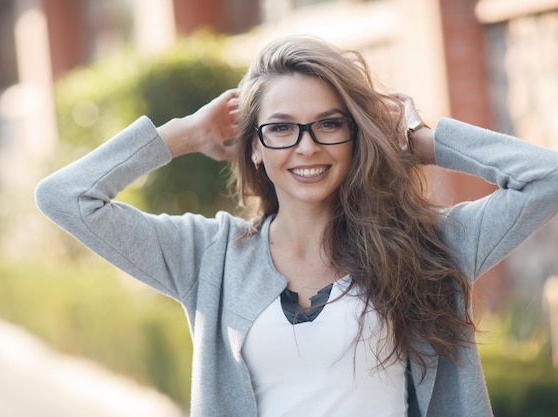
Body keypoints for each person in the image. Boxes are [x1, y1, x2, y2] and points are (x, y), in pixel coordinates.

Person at [35, 35, 558, 417]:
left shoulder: (431, 244)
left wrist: (421, 140)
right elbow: (65, 197)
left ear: (356, 136)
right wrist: (183, 134)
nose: (307, 147)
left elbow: (547, 179)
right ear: (255, 147)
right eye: (281, 128)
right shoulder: (206, 256)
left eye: (329, 124)